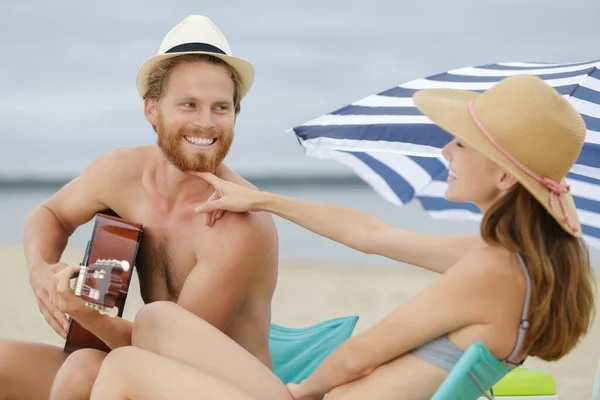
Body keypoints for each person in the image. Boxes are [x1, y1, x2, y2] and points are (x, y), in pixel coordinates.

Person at [87, 74, 594, 400]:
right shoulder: (514, 261)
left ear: (505, 178)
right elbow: (372, 234)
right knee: (156, 320)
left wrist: (299, 390)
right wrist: (263, 201)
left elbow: (358, 356)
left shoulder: (490, 268)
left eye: (460, 143)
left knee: (127, 367)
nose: (446, 153)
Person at [0, 15, 279, 400]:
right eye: (189, 104)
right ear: (151, 110)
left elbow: (168, 352)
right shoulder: (120, 172)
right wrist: (40, 271)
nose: (206, 123)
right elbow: (51, 215)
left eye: (220, 108)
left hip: (213, 386)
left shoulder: (239, 222)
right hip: (134, 361)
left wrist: (83, 314)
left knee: (85, 368)